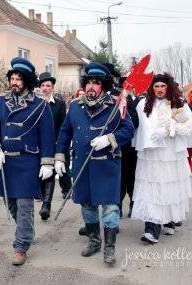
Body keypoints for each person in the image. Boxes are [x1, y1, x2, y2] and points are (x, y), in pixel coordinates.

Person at [55, 62, 134, 265]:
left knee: (109, 207)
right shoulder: (74, 106)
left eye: (96, 83)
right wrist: (59, 158)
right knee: (87, 205)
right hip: (82, 164)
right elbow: (64, 133)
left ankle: (109, 248)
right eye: (88, 82)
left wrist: (109, 139)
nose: (91, 86)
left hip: (107, 165)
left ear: (104, 86)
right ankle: (94, 241)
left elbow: (128, 130)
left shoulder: (117, 105)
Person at [0, 57, 55, 266]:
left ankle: (21, 245)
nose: (14, 82)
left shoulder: (41, 106)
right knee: (10, 203)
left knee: (24, 205)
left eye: (18, 79)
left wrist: (47, 163)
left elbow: (47, 136)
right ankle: (26, 230)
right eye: (12, 78)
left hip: (28, 162)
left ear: (26, 81)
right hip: (6, 162)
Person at [131, 73, 192, 244]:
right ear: (151, 88)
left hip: (170, 154)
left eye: (162, 86)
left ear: (168, 87)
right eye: (156, 86)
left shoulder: (179, 104)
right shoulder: (143, 104)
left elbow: (189, 127)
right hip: (150, 155)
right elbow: (134, 124)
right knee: (151, 188)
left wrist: (168, 130)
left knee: (168, 187)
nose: (159, 90)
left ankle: (168, 220)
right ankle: (151, 229)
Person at [38, 72, 72, 220]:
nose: (45, 88)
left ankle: (46, 205)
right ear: (39, 87)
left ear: (52, 88)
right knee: (40, 175)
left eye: (48, 86)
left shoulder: (58, 104)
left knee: (50, 173)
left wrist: (59, 141)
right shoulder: (34, 104)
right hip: (36, 145)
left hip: (53, 144)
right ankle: (41, 195)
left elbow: (64, 125)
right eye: (43, 85)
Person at [118, 76, 142, 218]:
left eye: (129, 87)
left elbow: (136, 122)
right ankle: (117, 207)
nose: (127, 89)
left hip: (132, 147)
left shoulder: (135, 101)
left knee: (132, 178)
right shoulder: (116, 100)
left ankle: (134, 205)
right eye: (124, 87)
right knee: (119, 180)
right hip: (117, 146)